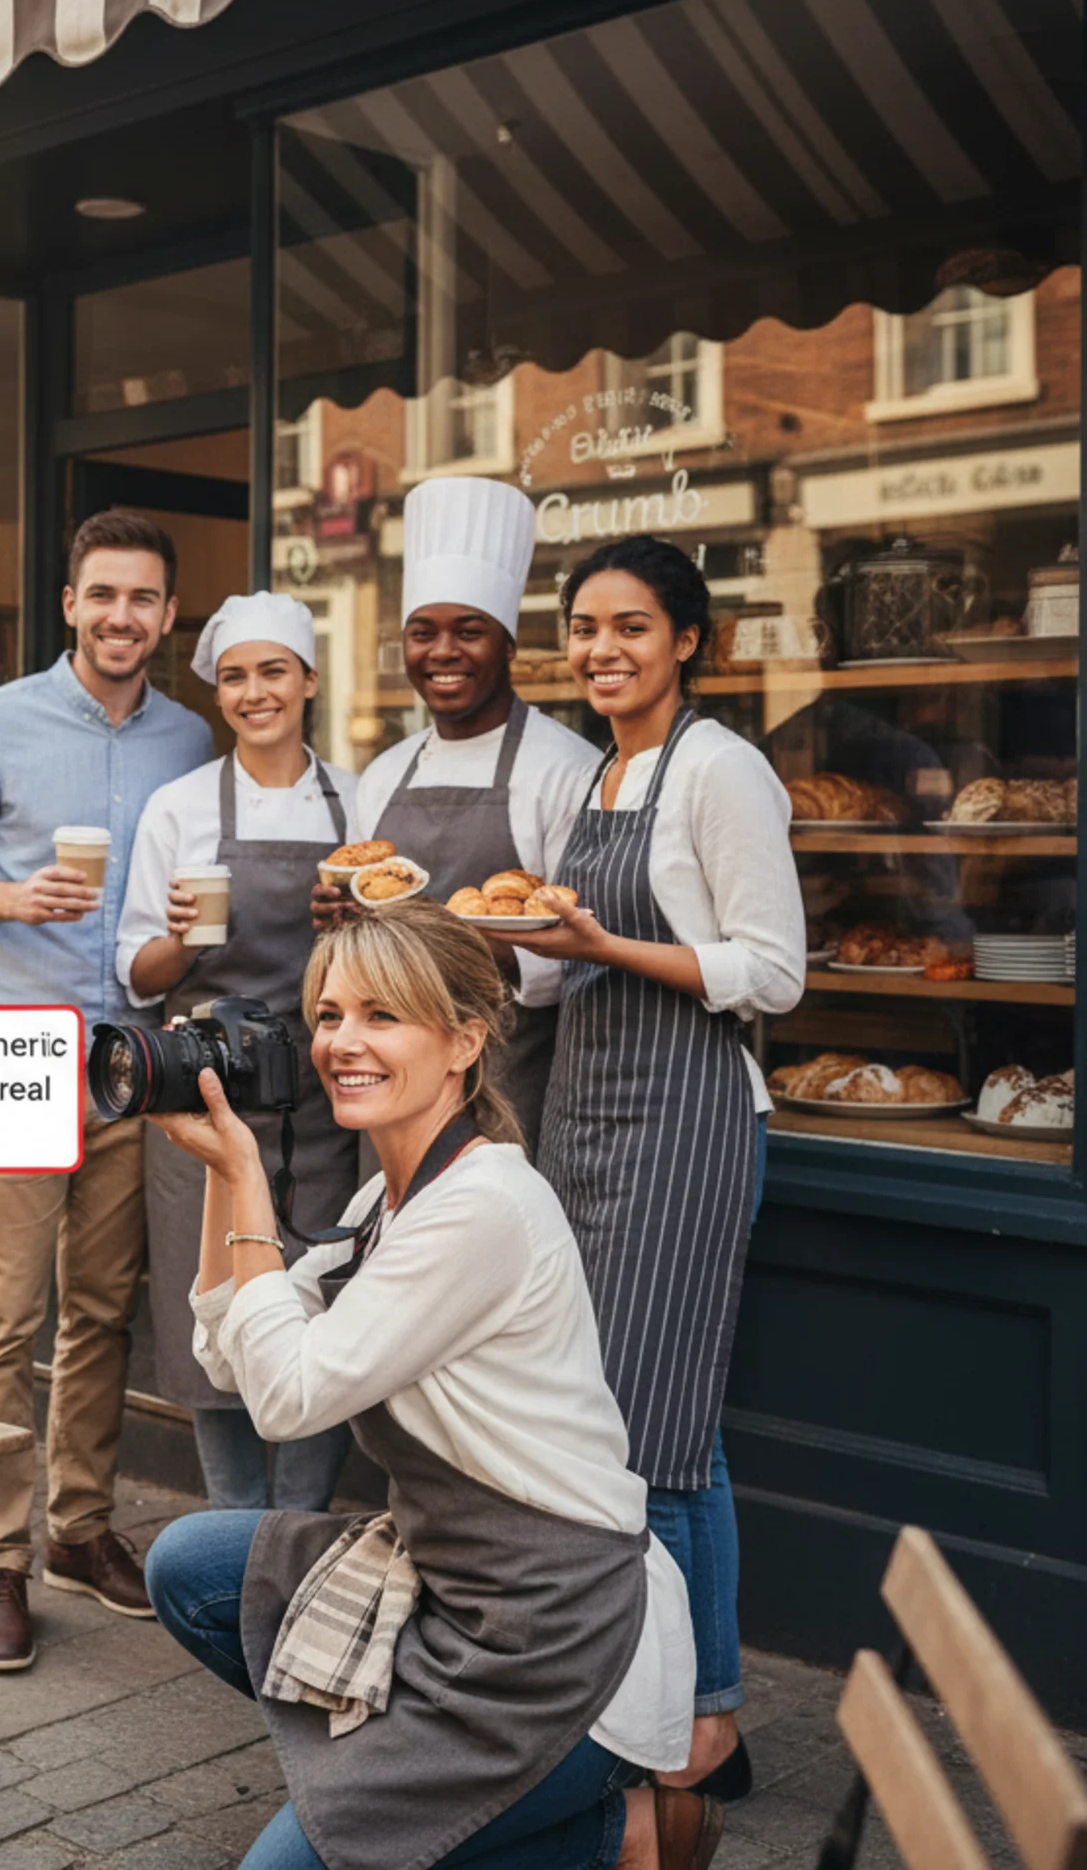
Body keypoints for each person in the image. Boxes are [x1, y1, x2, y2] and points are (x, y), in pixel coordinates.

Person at [141, 903, 716, 1870]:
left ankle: (615, 1828)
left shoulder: (483, 1208)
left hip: (557, 1638)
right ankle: (469, 1808)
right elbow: (233, 1357)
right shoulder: (386, 1202)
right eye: (328, 1016)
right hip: (445, 1588)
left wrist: (246, 1177)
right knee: (190, 1564)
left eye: (381, 1016)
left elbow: (286, 1401)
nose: (343, 1043)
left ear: (464, 1041)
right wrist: (216, 1170)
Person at [0, 508, 216, 1673]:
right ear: (69, 604)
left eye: (142, 597)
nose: (121, 615)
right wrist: (8, 899)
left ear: (166, 614)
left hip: (132, 1059)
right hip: (13, 1057)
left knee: (101, 1310)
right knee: (0, 1316)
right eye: (102, 595)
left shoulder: (191, 741)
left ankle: (80, 1526)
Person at [526, 536, 805, 1805]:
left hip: (687, 1119)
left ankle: (704, 1720)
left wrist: (603, 942)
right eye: (584, 626)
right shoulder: (605, 768)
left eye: (629, 626)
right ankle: (650, 1695)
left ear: (685, 640)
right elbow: (561, 961)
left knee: (662, 1434)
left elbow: (773, 969)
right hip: (584, 1111)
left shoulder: (720, 767)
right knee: (611, 1419)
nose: (600, 649)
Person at [118, 592, 359, 1513]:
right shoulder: (178, 807)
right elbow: (141, 975)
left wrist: (358, 922)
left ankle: (295, 1531)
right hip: (203, 1097)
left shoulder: (358, 797)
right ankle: (234, 1534)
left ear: (307, 680)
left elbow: (398, 945)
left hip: (328, 1099)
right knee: (209, 1325)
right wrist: (183, 939)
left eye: (273, 672)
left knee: (316, 1313)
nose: (255, 693)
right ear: (218, 693)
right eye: (234, 677)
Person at [320, 478, 597, 1159]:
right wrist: (341, 923)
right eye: (423, 633)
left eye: (468, 631)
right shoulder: (384, 774)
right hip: (383, 1087)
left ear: (508, 645)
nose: (443, 652)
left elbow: (582, 955)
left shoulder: (567, 768)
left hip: (511, 1077)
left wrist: (450, 944)